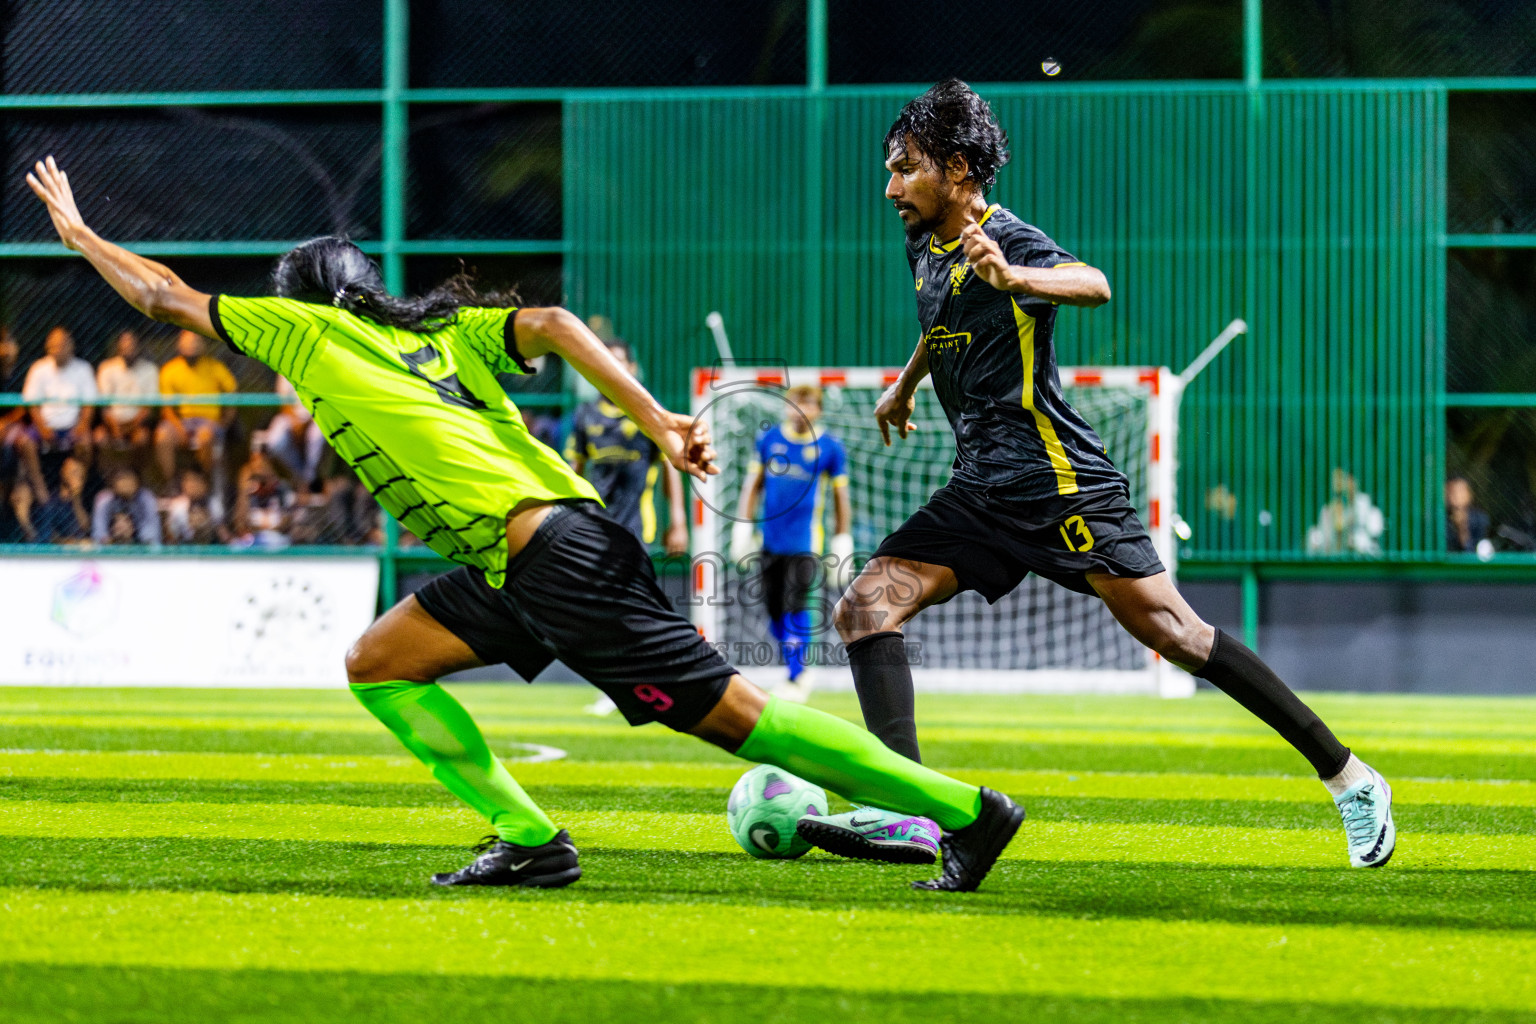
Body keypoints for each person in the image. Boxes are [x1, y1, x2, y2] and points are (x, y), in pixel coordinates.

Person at [28, 155, 1022, 893]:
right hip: (525, 562)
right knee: (379, 658)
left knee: (736, 719)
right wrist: (656, 418)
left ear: (304, 306)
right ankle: (530, 838)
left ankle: (964, 811)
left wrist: (82, 236)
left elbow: (163, 295)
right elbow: (548, 323)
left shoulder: (312, 329)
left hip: (555, 561)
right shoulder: (437, 337)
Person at [807, 81, 1395, 871]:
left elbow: (1094, 282)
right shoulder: (923, 242)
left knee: (1174, 633)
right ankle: (909, 810)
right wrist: (909, 382)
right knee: (867, 606)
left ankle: (1351, 778)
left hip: (1059, 483)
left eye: (904, 169)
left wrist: (1017, 280)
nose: (889, 188)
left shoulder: (1008, 239)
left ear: (954, 168)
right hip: (981, 487)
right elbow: (945, 317)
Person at [731, 384, 853, 701]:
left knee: (796, 607)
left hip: (805, 544)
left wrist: (843, 538)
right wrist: (743, 527)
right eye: (795, 402)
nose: (801, 409)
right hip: (770, 542)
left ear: (819, 409)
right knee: (772, 609)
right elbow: (752, 486)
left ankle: (798, 676)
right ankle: (796, 666)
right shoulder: (769, 440)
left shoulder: (829, 447)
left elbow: (841, 498)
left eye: (808, 402)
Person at [564, 340, 689, 556]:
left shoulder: (649, 413)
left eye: (619, 361)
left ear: (631, 367)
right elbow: (574, 470)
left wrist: (678, 522)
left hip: (637, 528)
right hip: (596, 525)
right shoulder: (586, 414)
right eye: (606, 360)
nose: (612, 366)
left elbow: (670, 466)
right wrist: (566, 516)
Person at [18, 326, 97, 499]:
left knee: (86, 444)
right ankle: (41, 490)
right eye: (52, 346)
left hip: (72, 426)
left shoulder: (83, 369)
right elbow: (31, 403)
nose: (56, 350)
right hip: (45, 425)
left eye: (60, 345)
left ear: (71, 346)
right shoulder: (38, 368)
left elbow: (89, 404)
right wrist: (42, 428)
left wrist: (82, 426)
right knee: (25, 442)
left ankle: (74, 493)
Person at [155, 328, 236, 485]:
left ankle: (204, 484)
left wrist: (223, 423)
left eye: (195, 343)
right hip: (182, 423)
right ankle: (172, 486)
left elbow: (233, 396)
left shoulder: (215, 367)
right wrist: (179, 430)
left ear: (203, 346)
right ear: (179, 346)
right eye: (187, 344)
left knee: (206, 438)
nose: (191, 347)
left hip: (209, 422)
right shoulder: (170, 370)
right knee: (162, 437)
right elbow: (167, 408)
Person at [95, 329, 160, 467]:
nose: (128, 346)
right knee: (99, 438)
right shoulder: (106, 368)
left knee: (142, 439)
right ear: (118, 346)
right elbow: (104, 406)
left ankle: (136, 477)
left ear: (139, 345)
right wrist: (115, 428)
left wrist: (130, 426)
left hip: (138, 424)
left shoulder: (150, 369)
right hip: (112, 424)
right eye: (124, 343)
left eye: (131, 343)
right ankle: (112, 480)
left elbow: (148, 408)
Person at [261, 375, 325, 491]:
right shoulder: (285, 367)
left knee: (317, 435)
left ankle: (310, 476)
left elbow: (323, 403)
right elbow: (284, 403)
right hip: (291, 417)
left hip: (316, 417)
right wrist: (295, 422)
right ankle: (304, 477)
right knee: (275, 440)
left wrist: (307, 422)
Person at [1306, 467, 1385, 556]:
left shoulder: (1364, 502)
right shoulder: (1333, 507)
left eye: (1351, 481)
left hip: (1363, 550)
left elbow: (1373, 530)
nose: (1349, 485)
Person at [91, 465, 161, 545]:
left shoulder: (146, 498)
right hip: (110, 545)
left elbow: (151, 532)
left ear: (137, 481)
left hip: (139, 545)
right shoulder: (105, 499)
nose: (126, 483)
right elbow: (99, 531)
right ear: (113, 483)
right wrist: (107, 540)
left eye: (129, 478)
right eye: (121, 479)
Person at [1445, 476, 1491, 555]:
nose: (1456, 496)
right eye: (1452, 491)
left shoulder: (1480, 519)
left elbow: (1479, 553)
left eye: (1461, 491)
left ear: (1469, 494)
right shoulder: (1439, 521)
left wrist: (1462, 529)